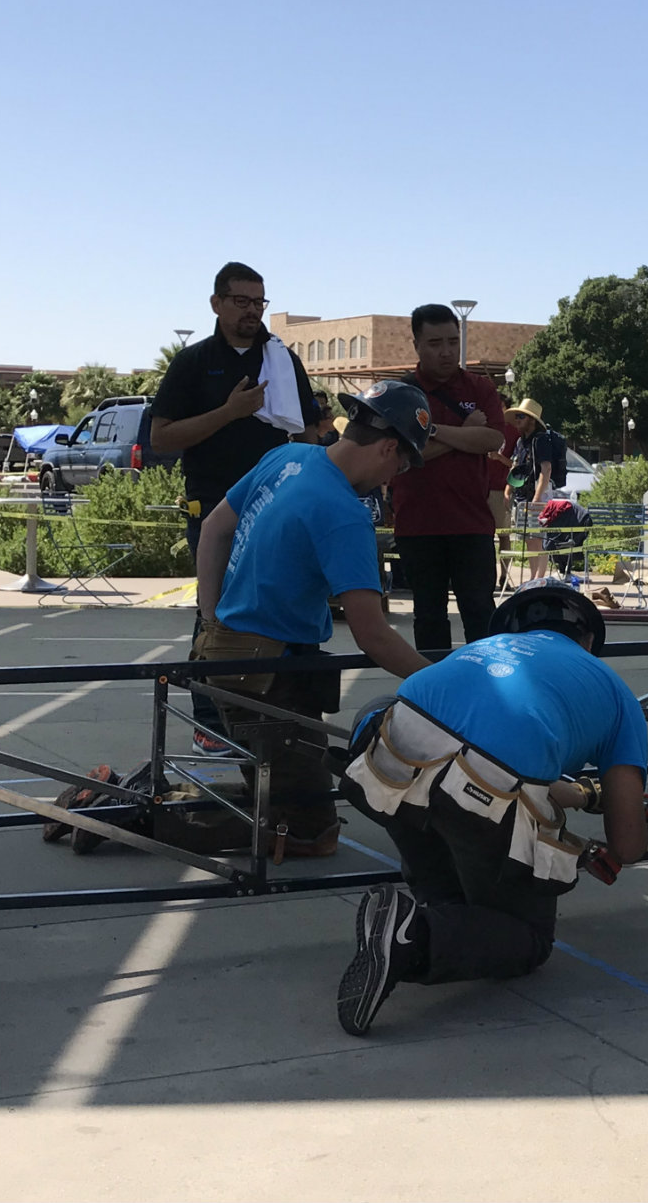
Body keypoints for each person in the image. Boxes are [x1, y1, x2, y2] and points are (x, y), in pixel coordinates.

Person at [336, 578, 648, 1035]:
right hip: (482, 794)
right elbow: (627, 845)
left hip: (391, 760)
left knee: (446, 876)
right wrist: (635, 822)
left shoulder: (478, 652)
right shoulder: (615, 691)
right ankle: (413, 938)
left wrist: (586, 793)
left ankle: (425, 914)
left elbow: (485, 753)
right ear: (588, 640)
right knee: (526, 937)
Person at [192, 381, 432, 857]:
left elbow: (214, 529)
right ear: (388, 448)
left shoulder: (287, 458)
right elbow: (373, 636)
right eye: (399, 467)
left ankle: (158, 802)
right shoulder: (344, 513)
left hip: (232, 657)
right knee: (311, 830)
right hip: (269, 676)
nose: (391, 480)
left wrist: (212, 617)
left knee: (282, 784)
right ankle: (135, 812)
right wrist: (445, 679)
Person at [152, 261, 319, 757]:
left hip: (279, 510)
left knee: (279, 611)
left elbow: (308, 435)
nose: (252, 311)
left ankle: (278, 717)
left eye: (259, 302)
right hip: (213, 510)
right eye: (241, 301)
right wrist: (228, 413)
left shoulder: (283, 361)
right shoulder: (193, 363)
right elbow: (161, 438)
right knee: (217, 613)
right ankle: (210, 722)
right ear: (217, 304)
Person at [388, 304, 508, 652]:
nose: (446, 351)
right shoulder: (400, 394)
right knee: (428, 616)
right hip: (418, 526)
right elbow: (402, 456)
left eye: (453, 342)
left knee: (480, 612)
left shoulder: (480, 387)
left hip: (472, 524)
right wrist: (463, 434)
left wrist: (432, 432)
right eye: (435, 342)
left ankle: (489, 685)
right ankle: (433, 692)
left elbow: (493, 439)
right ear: (417, 345)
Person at [505, 397, 567, 581]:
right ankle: (534, 578)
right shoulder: (521, 442)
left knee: (538, 538)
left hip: (538, 493)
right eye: (516, 416)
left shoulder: (540, 440)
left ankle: (538, 579)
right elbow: (515, 468)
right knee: (529, 538)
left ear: (532, 420)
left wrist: (538, 498)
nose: (517, 420)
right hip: (523, 494)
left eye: (521, 417)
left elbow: (545, 469)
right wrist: (508, 490)